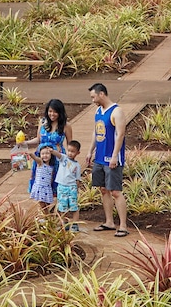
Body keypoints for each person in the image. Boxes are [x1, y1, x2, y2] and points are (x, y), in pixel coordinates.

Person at [86, 83, 128, 237]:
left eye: (93, 96)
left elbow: (120, 135)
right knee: (103, 189)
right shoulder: (98, 111)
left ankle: (123, 225)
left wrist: (115, 155)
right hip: (99, 158)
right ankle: (109, 221)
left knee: (115, 191)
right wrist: (90, 151)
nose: (93, 100)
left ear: (101, 94)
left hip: (112, 158)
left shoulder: (117, 112)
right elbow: (96, 132)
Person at [19, 99, 72, 198]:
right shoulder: (43, 122)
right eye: (50, 111)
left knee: (57, 185)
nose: (52, 114)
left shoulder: (66, 125)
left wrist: (70, 161)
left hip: (57, 158)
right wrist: (25, 143)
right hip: (41, 157)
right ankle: (46, 211)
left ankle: (58, 210)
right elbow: (38, 139)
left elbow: (70, 144)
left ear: (60, 112)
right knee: (40, 185)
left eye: (55, 112)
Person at [53, 140, 82, 231]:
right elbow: (58, 154)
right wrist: (52, 150)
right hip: (61, 186)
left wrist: (76, 188)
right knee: (62, 207)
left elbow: (77, 179)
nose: (70, 153)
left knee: (74, 207)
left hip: (72, 187)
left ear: (78, 153)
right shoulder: (64, 158)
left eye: (73, 151)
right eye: (69, 151)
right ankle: (64, 223)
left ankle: (75, 224)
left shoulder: (77, 165)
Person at [27, 146, 57, 210]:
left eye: (47, 153)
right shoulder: (40, 163)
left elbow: (51, 178)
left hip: (47, 188)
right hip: (40, 187)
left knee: (47, 205)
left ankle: (45, 217)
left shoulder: (52, 167)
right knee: (42, 205)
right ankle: (44, 217)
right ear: (40, 155)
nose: (45, 155)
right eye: (42, 154)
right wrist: (30, 154)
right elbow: (35, 157)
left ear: (51, 155)